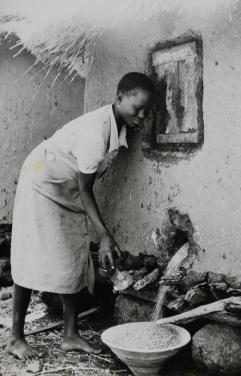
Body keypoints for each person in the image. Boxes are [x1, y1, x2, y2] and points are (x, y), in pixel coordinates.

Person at [7, 72, 155, 359]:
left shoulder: (118, 126)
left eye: (147, 111)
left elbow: (82, 184)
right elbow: (86, 188)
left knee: (75, 252)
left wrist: (99, 233)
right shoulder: (94, 134)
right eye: (137, 108)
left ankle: (70, 334)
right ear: (120, 98)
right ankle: (15, 337)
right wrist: (106, 236)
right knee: (30, 253)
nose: (142, 116)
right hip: (42, 181)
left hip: (68, 187)